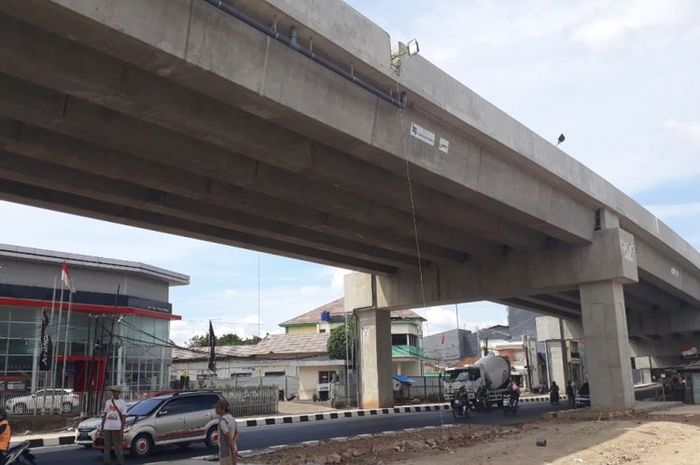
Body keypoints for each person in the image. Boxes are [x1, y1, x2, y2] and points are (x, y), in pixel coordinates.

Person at [101, 386, 127, 465]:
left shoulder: (122, 403)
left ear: (119, 393)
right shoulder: (108, 402)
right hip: (107, 427)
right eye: (113, 391)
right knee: (106, 446)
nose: (113, 393)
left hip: (117, 428)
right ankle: (107, 462)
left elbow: (123, 417)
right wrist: (102, 426)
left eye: (115, 391)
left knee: (117, 447)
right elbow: (105, 414)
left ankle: (120, 462)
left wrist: (122, 430)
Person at [215, 399, 239, 465]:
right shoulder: (232, 418)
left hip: (226, 452)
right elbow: (237, 433)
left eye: (217, 407)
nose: (215, 409)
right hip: (233, 448)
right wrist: (233, 444)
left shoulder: (222, 421)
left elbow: (227, 435)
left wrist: (233, 450)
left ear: (223, 408)